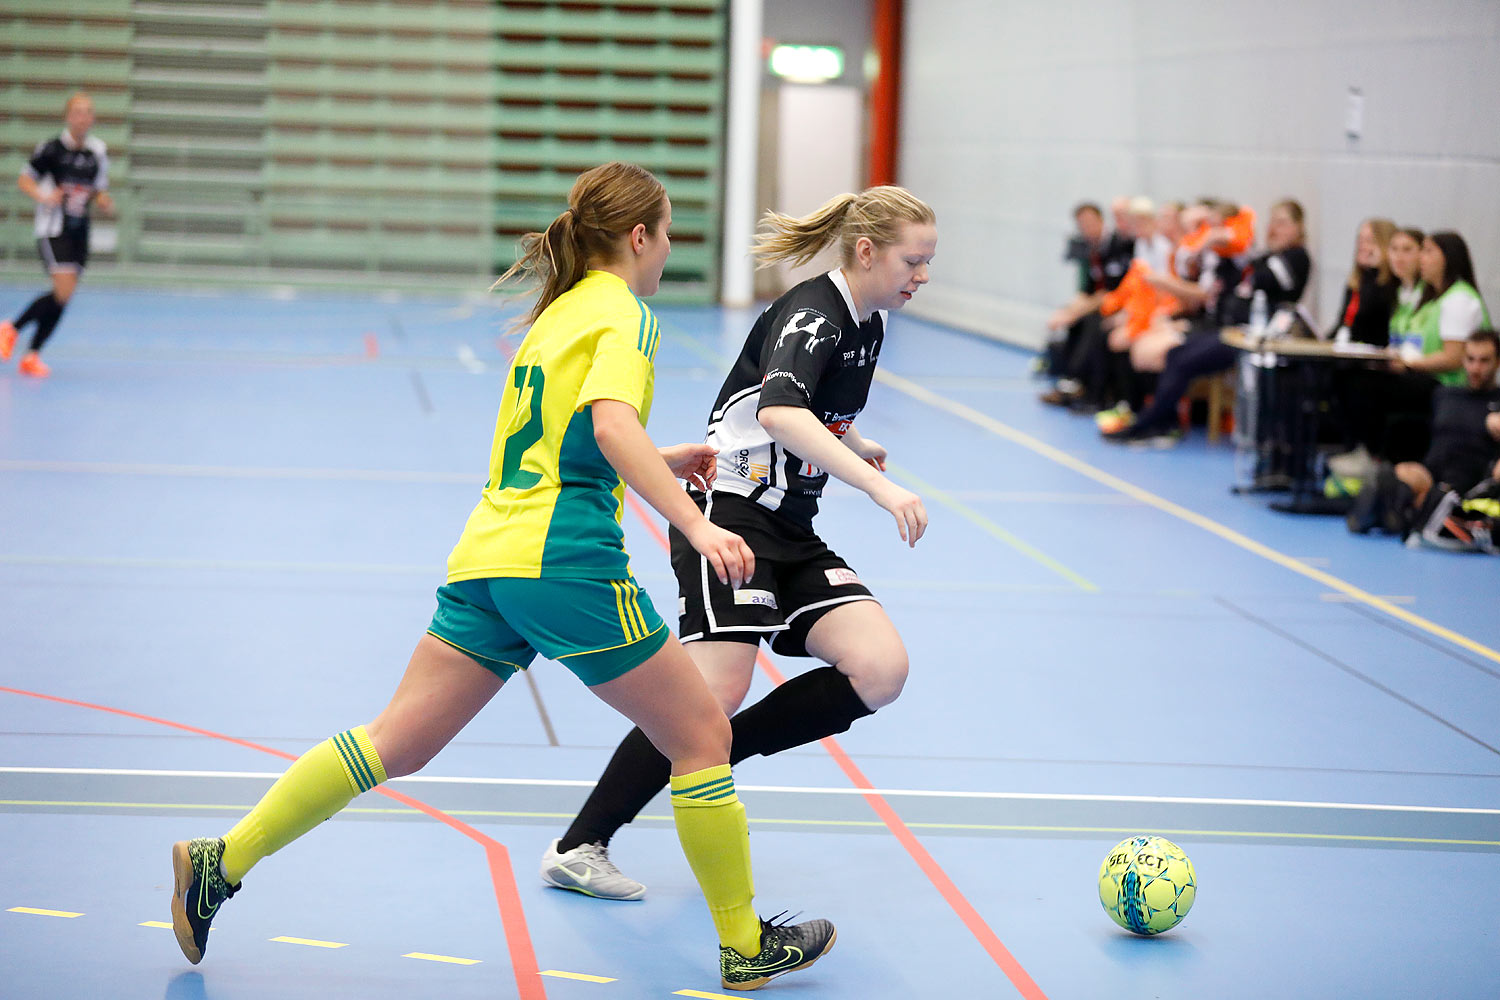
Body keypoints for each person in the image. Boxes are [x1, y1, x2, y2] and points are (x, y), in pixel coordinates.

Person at [167, 162, 836, 992]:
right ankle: (743, 944)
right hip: (562, 562)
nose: (668, 248)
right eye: (666, 232)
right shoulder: (623, 313)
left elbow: (564, 439)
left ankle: (220, 861)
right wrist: (694, 521)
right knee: (703, 736)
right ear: (638, 237)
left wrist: (661, 459)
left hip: (489, 555)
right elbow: (611, 423)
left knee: (393, 742)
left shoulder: (556, 316)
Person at [539, 186, 935, 901]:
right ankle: (580, 844)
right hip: (730, 516)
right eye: (914, 259)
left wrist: (854, 440)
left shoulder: (868, 322)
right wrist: (881, 489)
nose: (923, 276)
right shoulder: (814, 315)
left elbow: (801, 412)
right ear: (869, 251)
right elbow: (782, 411)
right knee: (711, 694)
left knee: (880, 669)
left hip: (791, 528)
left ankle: (714, 759)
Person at [1104, 198, 1309, 446]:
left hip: (1251, 335)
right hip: (1227, 328)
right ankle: (1155, 419)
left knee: (1176, 358)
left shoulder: (1294, 257)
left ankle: (1153, 423)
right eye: (1273, 222)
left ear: (1299, 228)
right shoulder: (1259, 257)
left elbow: (1262, 275)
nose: (1274, 229)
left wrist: (1220, 241)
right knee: (1173, 354)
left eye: (1283, 223)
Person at [0, 92, 114, 379]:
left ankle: (32, 354)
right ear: (67, 116)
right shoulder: (51, 149)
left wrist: (102, 200)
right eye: (77, 111)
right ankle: (10, 329)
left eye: (88, 111)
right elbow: (25, 179)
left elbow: (99, 188)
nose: (83, 117)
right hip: (53, 229)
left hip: (80, 230)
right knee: (62, 290)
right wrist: (44, 196)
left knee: (64, 297)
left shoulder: (97, 151)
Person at [1350, 329, 1500, 536]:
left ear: (1497, 362)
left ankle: (1401, 517)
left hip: (1465, 491)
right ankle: (1386, 516)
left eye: (1484, 361)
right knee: (1398, 473)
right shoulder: (1445, 395)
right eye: (1470, 359)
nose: (1475, 368)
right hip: (1430, 478)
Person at [1327, 218, 1397, 346]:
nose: (1362, 246)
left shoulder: (1389, 284)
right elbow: (1343, 324)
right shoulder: (1356, 282)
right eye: (1360, 240)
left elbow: (1366, 318)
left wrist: (1376, 269)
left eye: (1370, 241)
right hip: (1348, 350)